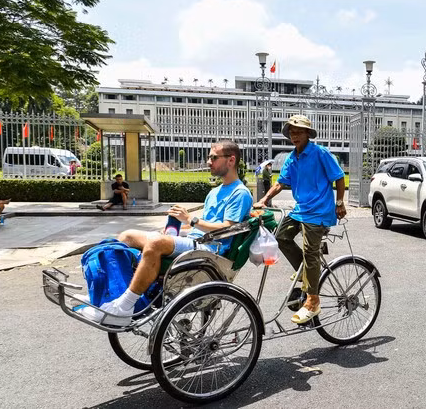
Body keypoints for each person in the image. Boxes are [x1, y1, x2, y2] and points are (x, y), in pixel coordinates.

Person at [79, 140, 253, 326]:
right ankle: (112, 296)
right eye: (209, 157)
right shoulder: (215, 191)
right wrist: (179, 228)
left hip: (211, 249)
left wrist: (190, 219)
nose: (208, 161)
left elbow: (226, 228)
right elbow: (202, 226)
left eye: (213, 157)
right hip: (197, 240)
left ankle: (125, 306)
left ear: (231, 160)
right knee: (127, 236)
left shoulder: (240, 193)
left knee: (155, 243)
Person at [254, 115, 346, 324]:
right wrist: (264, 199)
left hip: (319, 211)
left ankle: (313, 301)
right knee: (280, 237)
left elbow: (339, 177)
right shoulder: (291, 158)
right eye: (292, 132)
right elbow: (280, 183)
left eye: (299, 131)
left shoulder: (320, 153)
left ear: (307, 134)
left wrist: (340, 203)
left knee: (310, 251)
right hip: (300, 210)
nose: (295, 135)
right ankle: (305, 271)